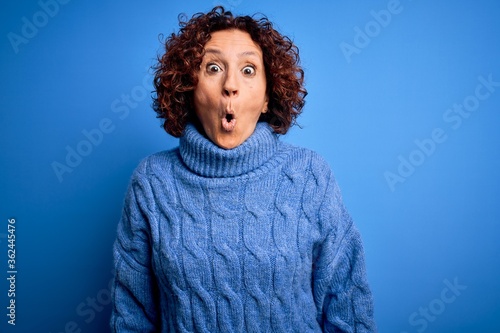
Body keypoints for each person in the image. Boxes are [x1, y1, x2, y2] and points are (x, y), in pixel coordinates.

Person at [110, 6, 376, 332]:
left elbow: (347, 305)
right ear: (189, 89)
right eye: (213, 67)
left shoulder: (309, 175)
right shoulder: (152, 183)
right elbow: (132, 317)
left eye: (248, 70)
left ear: (267, 96)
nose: (230, 84)